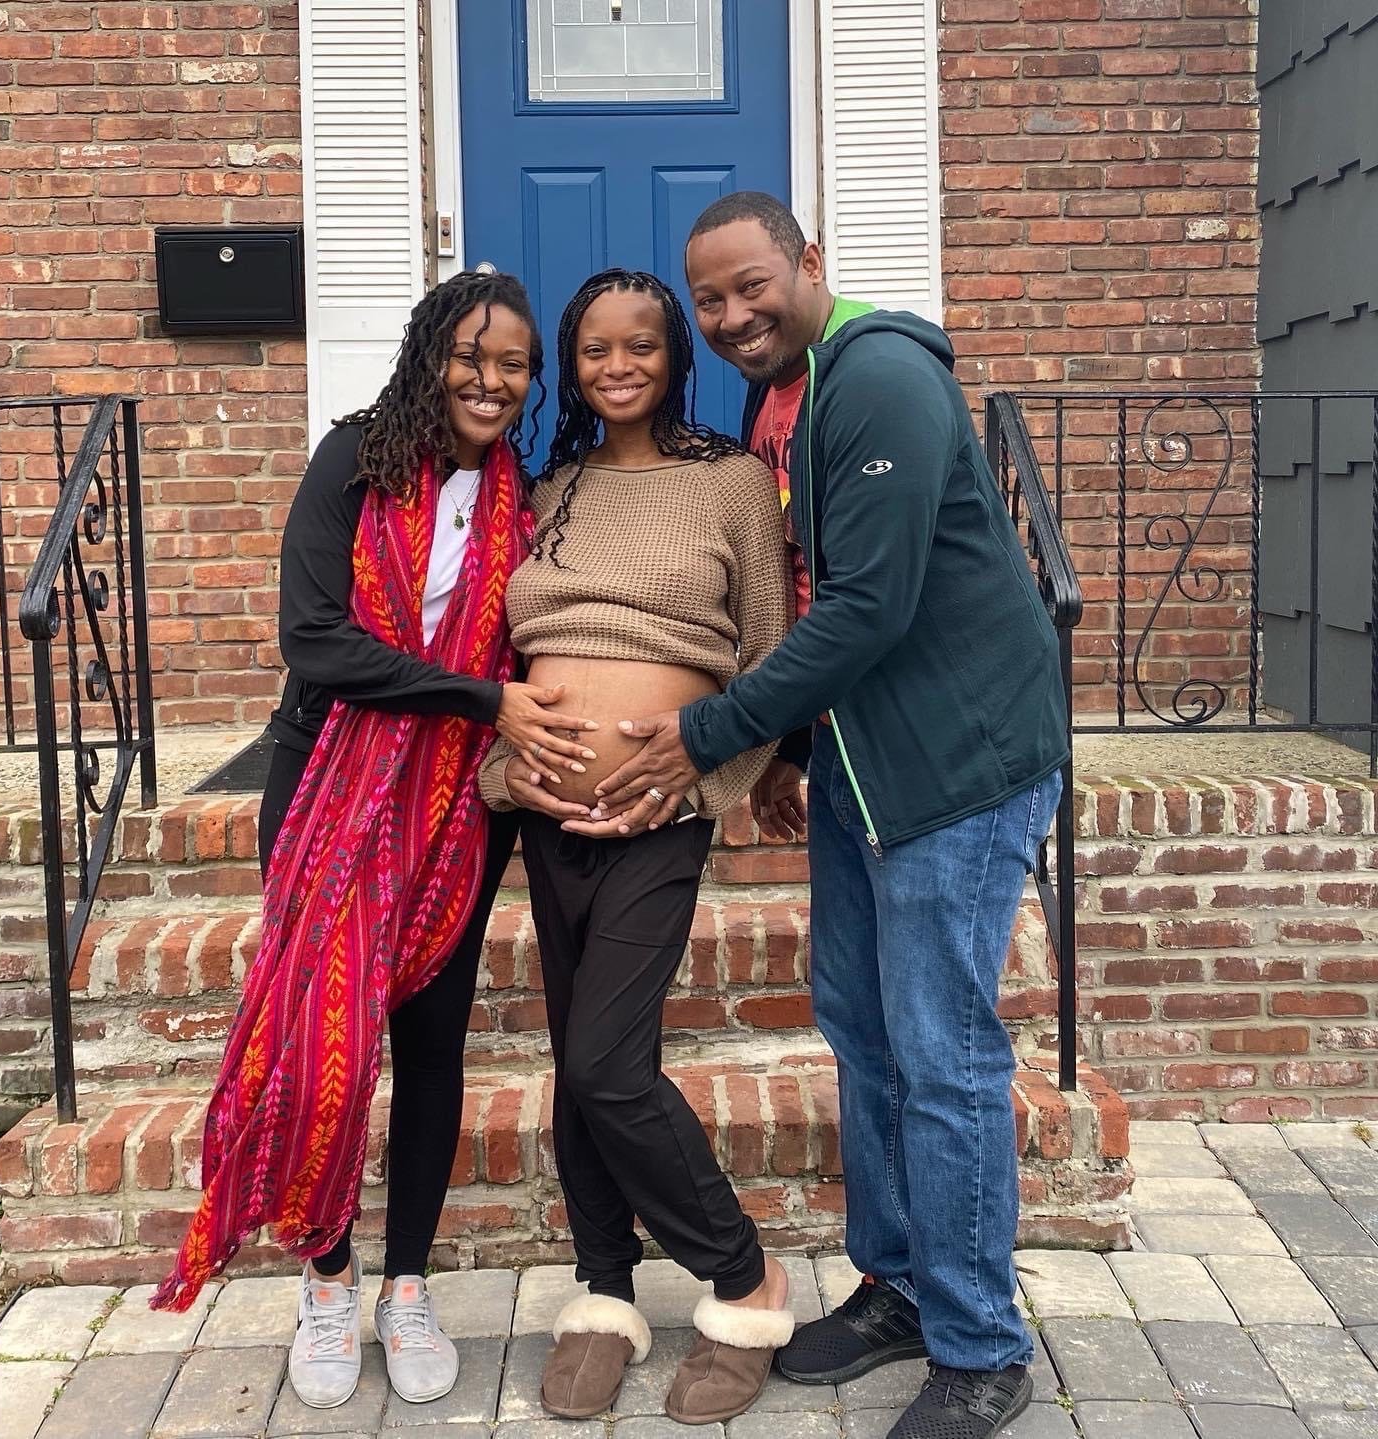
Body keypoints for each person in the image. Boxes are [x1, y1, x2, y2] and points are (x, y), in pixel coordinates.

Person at [589, 194, 1070, 1439]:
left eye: (754, 285)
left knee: (943, 1055)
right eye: (714, 301)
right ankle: (900, 1286)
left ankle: (980, 1344)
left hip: (958, 771)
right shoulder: (783, 396)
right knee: (863, 1029)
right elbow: (806, 594)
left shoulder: (883, 381)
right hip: (868, 773)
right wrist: (799, 745)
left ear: (812, 261)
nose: (735, 315)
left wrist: (710, 735)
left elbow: (866, 609)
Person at [152, 271, 601, 1415]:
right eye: (471, 357)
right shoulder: (353, 461)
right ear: (427, 357)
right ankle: (328, 1278)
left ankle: (407, 1283)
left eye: (514, 366)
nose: (492, 382)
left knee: (434, 1041)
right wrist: (477, 696)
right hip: (327, 785)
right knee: (325, 1039)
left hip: (456, 803)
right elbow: (316, 639)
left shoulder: (522, 495)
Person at [477, 269, 797, 1426]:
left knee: (612, 1062)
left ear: (676, 357)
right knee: (579, 1062)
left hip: (662, 815)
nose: (619, 367)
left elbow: (766, 653)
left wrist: (707, 779)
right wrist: (513, 771)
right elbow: (501, 654)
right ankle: (603, 1289)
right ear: (576, 361)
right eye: (597, 349)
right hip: (546, 813)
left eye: (643, 347)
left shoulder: (731, 486)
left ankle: (745, 1276)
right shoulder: (546, 489)